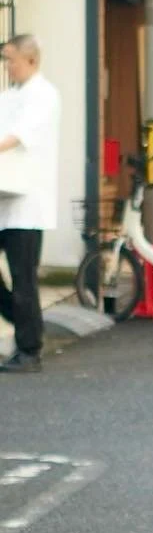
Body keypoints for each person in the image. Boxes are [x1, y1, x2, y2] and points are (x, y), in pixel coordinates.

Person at [0, 35, 60, 374]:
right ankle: (27, 324)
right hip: (5, 198)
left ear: (32, 61)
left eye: (12, 60)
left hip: (28, 203)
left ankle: (29, 350)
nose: (8, 67)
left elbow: (17, 136)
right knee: (20, 283)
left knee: (24, 279)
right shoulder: (10, 96)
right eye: (6, 60)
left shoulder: (44, 95)